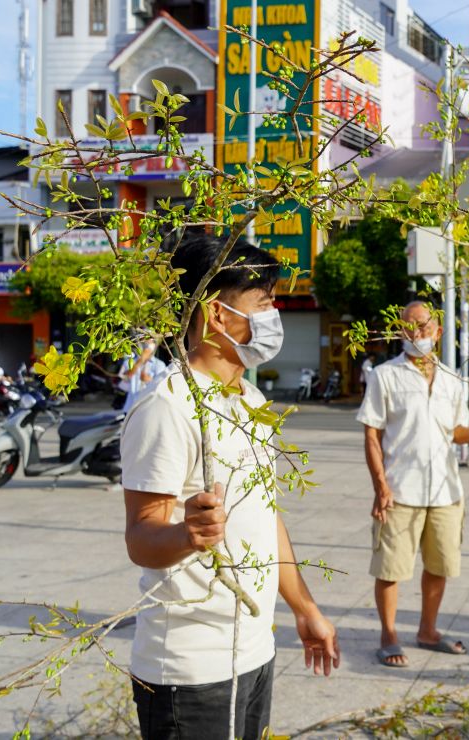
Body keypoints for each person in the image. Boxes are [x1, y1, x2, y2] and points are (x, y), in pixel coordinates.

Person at [121, 235, 340, 740]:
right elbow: (141, 538)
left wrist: (305, 609)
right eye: (263, 303)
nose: (273, 315)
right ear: (216, 314)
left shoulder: (250, 399)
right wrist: (187, 535)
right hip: (192, 670)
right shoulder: (167, 406)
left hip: (255, 650)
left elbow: (265, 515)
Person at [357, 301, 469, 668]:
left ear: (438, 332)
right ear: (400, 331)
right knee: (390, 568)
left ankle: (428, 630)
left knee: (440, 564)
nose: (417, 333)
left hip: (446, 490)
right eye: (409, 326)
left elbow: (455, 431)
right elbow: (372, 434)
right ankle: (389, 635)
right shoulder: (384, 376)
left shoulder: (452, 378)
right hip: (400, 490)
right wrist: (381, 486)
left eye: (424, 326)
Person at [118, 337, 166, 411]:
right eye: (143, 341)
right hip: (130, 407)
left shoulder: (160, 364)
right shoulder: (129, 362)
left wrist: (150, 380)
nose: (146, 344)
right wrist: (141, 360)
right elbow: (124, 378)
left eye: (150, 341)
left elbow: (162, 387)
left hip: (148, 409)